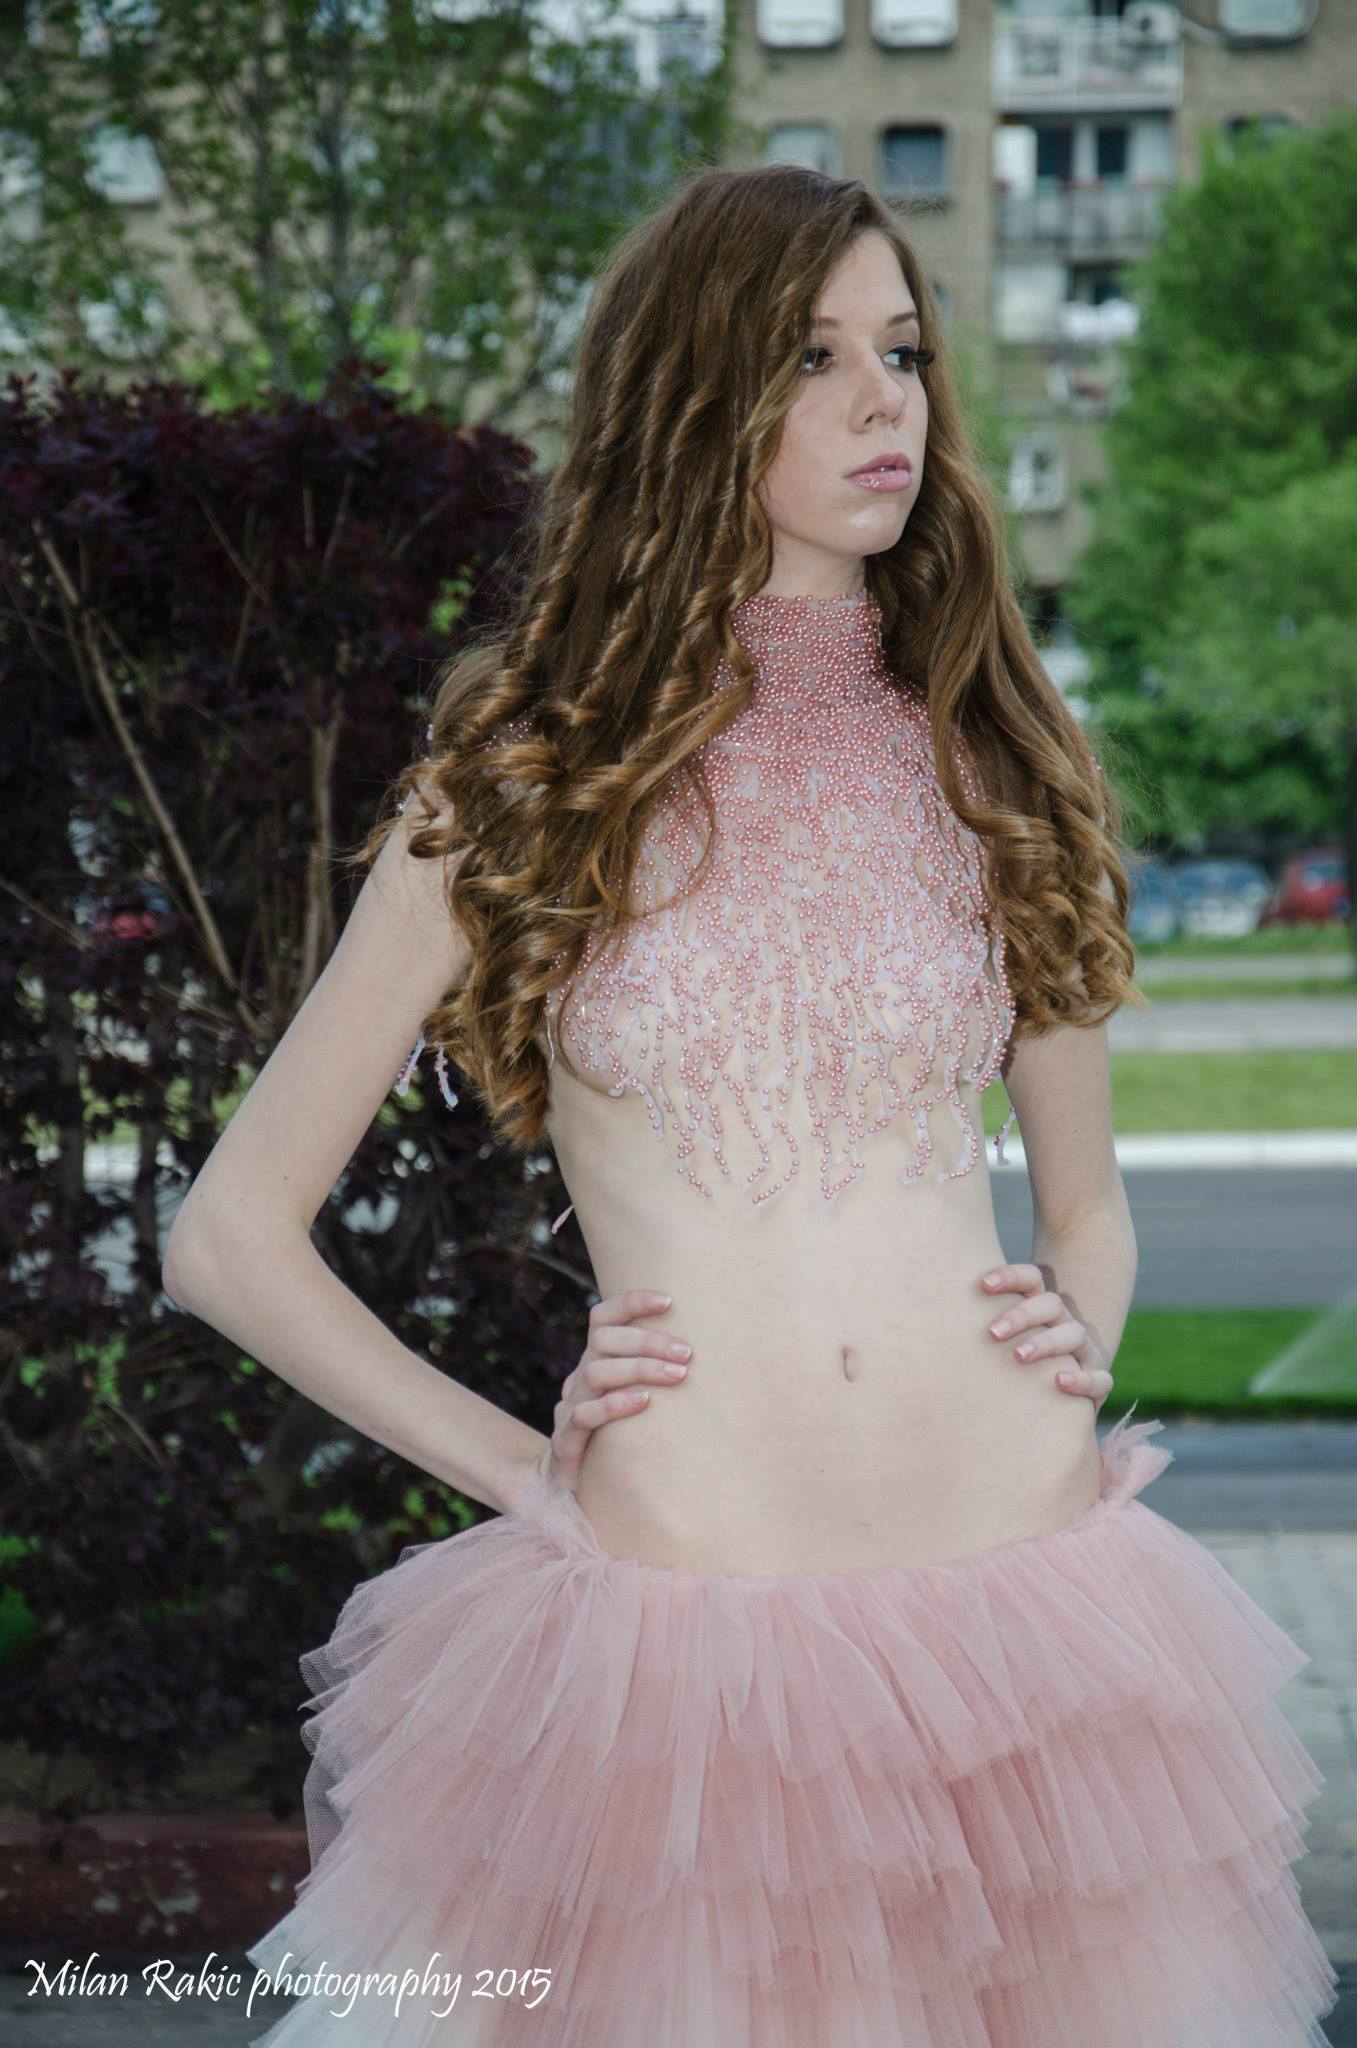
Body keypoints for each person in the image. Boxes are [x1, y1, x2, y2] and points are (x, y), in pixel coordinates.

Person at [163, 165, 1338, 2046]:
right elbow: (228, 1239)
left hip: (1028, 1618)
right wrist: (525, 1474)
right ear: (693, 396)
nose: (886, 403)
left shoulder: (997, 759)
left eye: (904, 353)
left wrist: (1079, 1345)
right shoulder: (522, 786)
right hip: (683, 1652)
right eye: (812, 358)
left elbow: (1087, 1208)